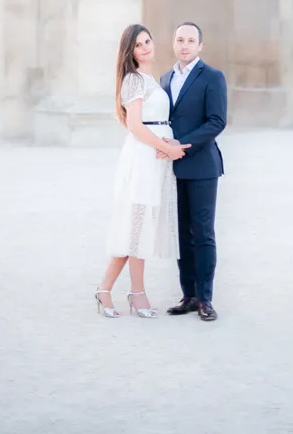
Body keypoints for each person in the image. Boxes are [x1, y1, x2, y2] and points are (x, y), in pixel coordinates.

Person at [95, 24, 190, 319]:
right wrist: (167, 148)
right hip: (143, 157)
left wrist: (169, 145)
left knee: (140, 226)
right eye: (138, 45)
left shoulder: (150, 79)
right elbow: (135, 125)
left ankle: (112, 291)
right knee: (137, 225)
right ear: (130, 51)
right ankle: (130, 293)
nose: (145, 47)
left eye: (147, 41)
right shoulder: (134, 80)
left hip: (155, 157)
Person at [160, 22, 228, 322]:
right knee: (181, 235)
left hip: (201, 166)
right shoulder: (165, 78)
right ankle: (188, 295)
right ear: (174, 44)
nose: (184, 45)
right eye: (180, 39)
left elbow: (217, 121)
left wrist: (183, 144)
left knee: (203, 234)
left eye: (190, 40)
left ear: (200, 46)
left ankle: (205, 299)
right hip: (172, 167)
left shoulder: (212, 76)